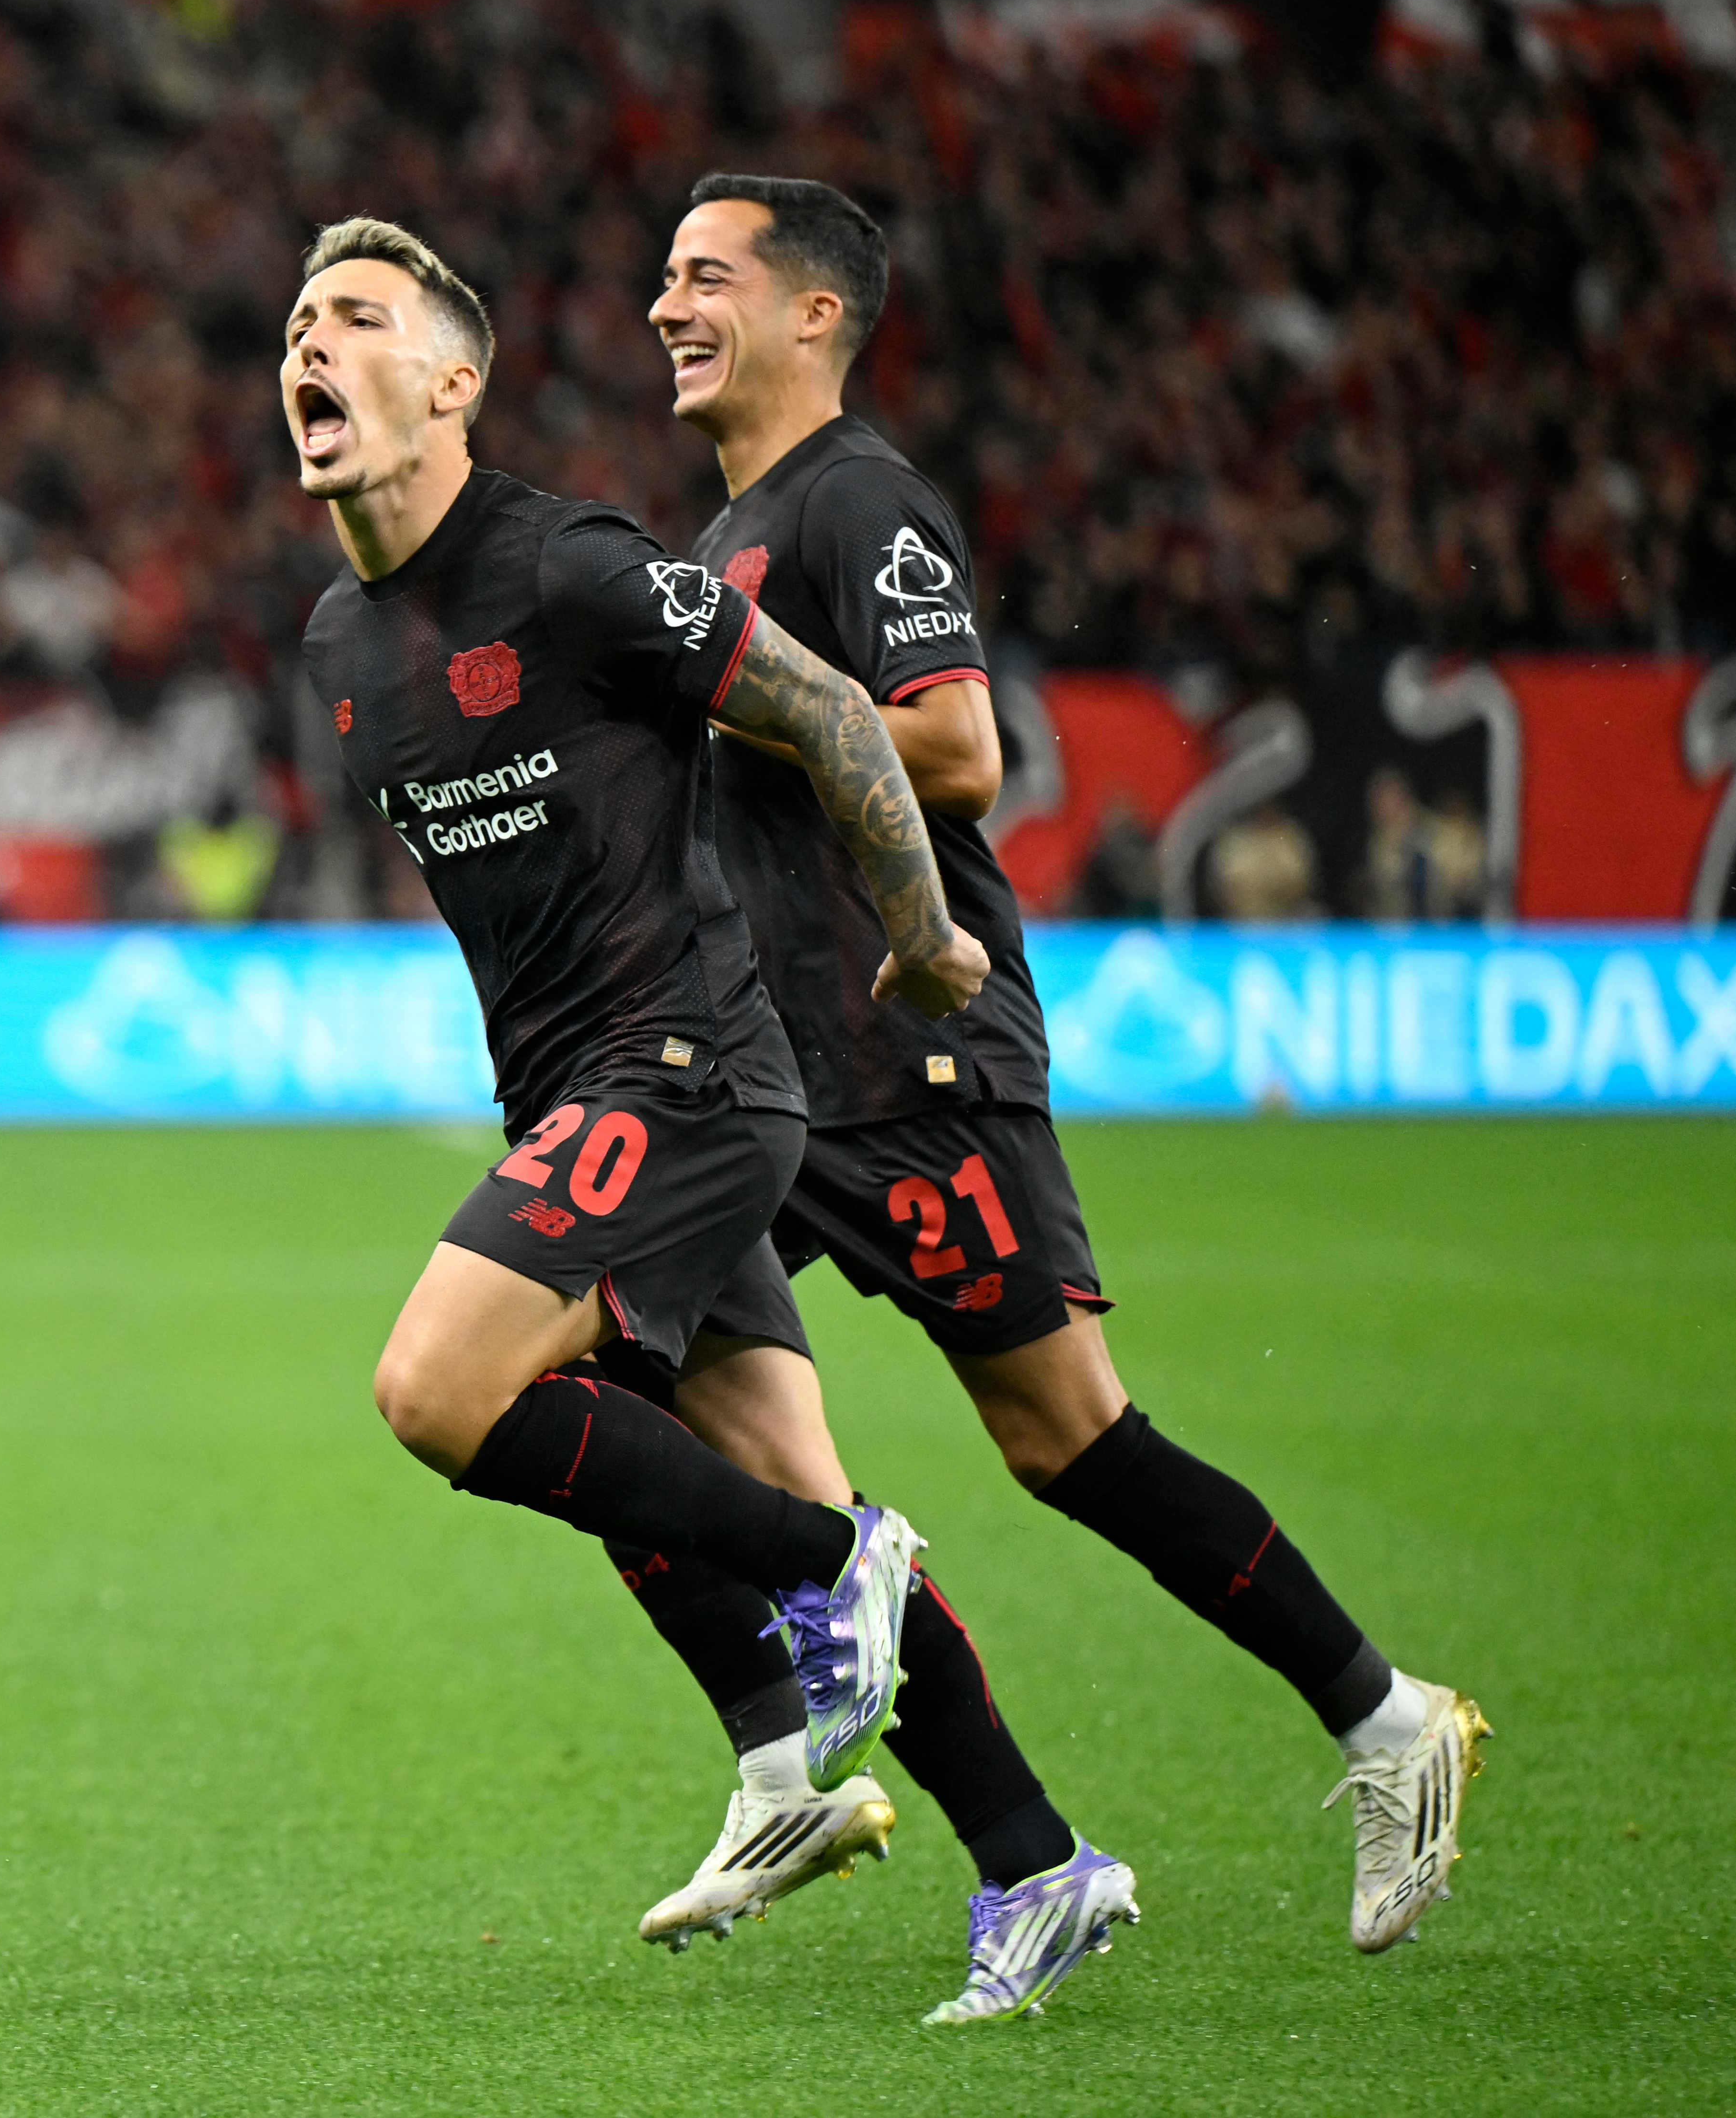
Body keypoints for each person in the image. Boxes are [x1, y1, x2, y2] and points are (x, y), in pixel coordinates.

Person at [284, 217, 1132, 2019]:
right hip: (585, 1085)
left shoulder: (573, 563)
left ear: (452, 383)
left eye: (355, 317)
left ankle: (827, 1592)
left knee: (441, 1389)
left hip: (681, 1076)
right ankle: (1031, 1859)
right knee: (689, 1447)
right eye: (294, 323)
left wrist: (924, 941)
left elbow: (828, 704)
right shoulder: (338, 644)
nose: (309, 343)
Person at [643, 173, 1488, 1961]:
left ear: (816, 313)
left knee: (1068, 1440)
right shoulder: (720, 534)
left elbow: (957, 742)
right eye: (663, 277)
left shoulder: (855, 498)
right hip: (769, 1074)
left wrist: (745, 713)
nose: (665, 305)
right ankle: (804, 1759)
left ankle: (1384, 1716)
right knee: (600, 1368)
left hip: (907, 1055)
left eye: (706, 276)